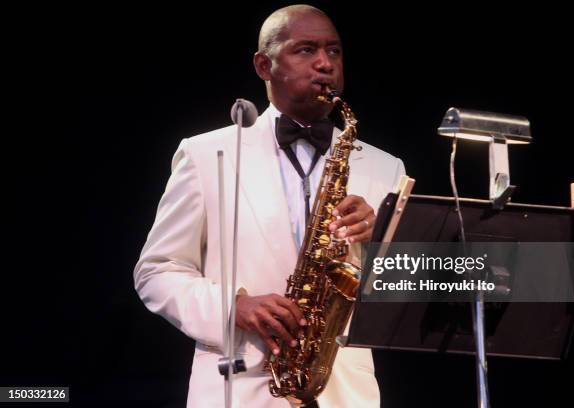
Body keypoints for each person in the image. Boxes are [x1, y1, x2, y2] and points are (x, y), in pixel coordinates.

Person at [134, 4, 405, 407]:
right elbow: (156, 272)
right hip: (239, 388)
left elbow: (402, 299)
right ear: (264, 65)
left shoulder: (386, 166)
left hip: (345, 394)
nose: (324, 64)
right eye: (305, 50)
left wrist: (375, 243)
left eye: (334, 51)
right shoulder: (206, 154)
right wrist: (234, 307)